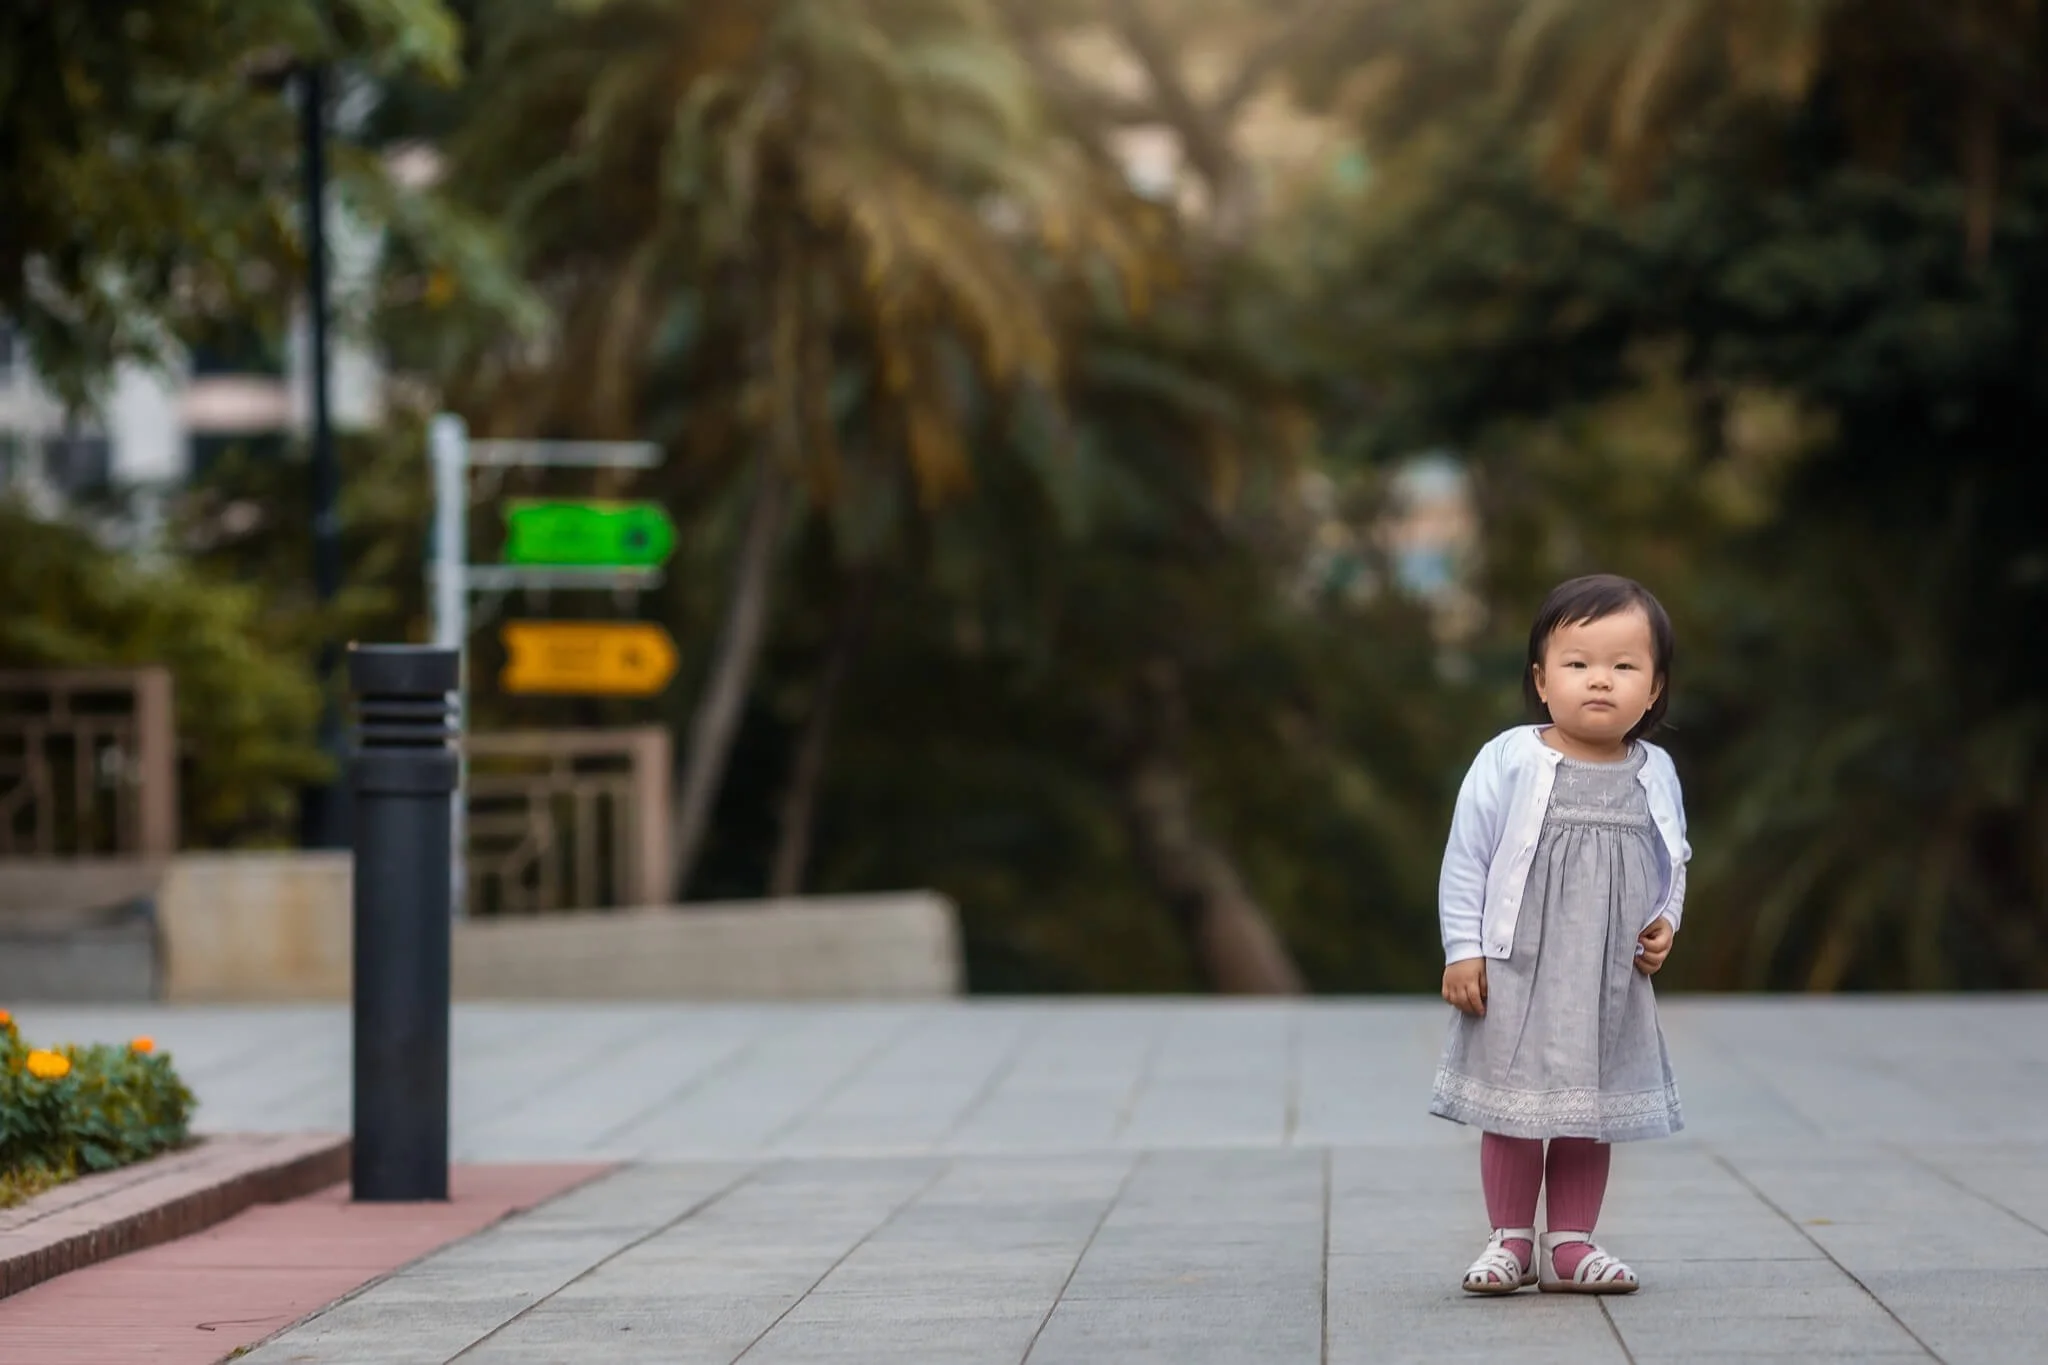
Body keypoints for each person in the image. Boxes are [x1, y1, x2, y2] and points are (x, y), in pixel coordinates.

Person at [1429, 573, 1691, 1295]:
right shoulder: (1511, 758)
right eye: (1578, 664)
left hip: (1607, 975)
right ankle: (1510, 1240)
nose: (1599, 680)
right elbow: (1468, 854)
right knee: (1514, 1106)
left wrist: (1666, 919)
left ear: (1655, 688)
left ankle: (1572, 1243)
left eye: (1623, 665)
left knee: (1589, 1109)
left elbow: (1673, 857)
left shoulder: (1655, 770)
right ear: (1542, 681)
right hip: (1521, 966)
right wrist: (1464, 948)